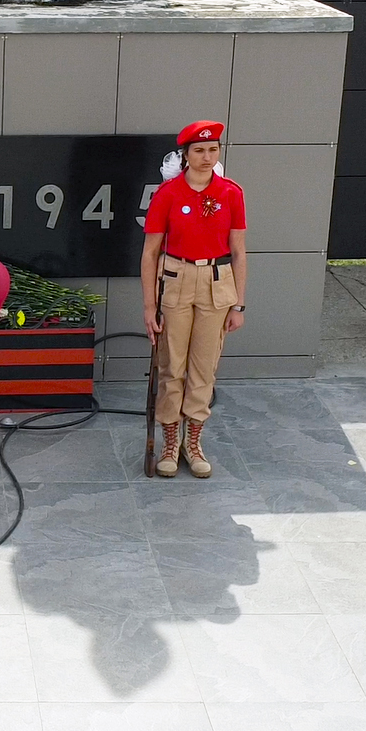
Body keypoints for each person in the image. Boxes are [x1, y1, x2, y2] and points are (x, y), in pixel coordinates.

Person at [140, 120, 247, 478]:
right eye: (198, 150)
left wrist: (238, 303)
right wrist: (148, 306)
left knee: (204, 367)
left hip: (217, 283)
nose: (206, 157)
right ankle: (170, 440)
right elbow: (150, 252)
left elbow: (239, 250)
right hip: (177, 280)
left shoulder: (231, 192)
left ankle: (193, 441)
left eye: (213, 150)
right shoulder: (168, 194)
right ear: (185, 155)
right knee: (173, 365)